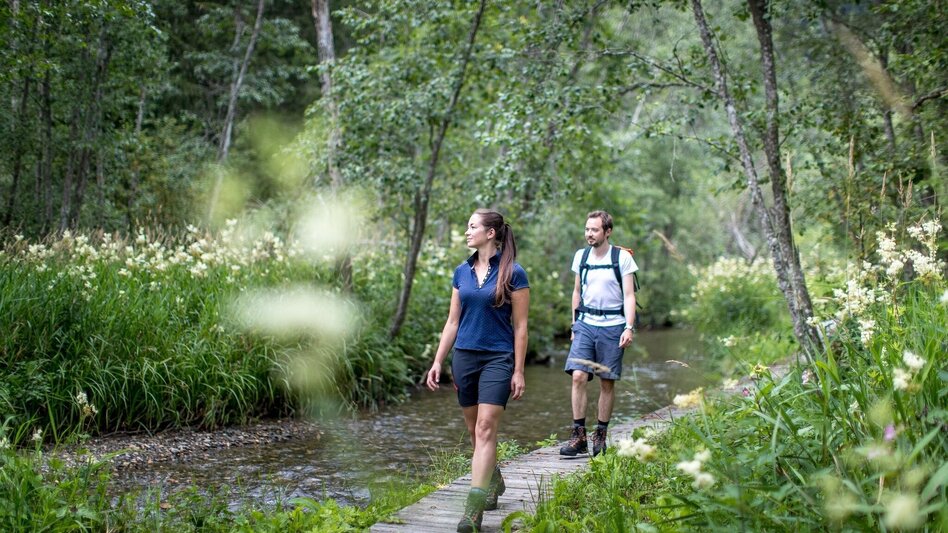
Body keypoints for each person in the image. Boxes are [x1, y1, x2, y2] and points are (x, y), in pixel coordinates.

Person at [425, 208, 530, 533]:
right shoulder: (461, 271)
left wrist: (519, 370)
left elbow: (521, 327)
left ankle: (473, 513)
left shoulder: (514, 272)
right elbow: (453, 321)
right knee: (474, 433)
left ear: (490, 233)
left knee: (486, 430)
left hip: (498, 359)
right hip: (465, 359)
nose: (466, 232)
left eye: (472, 227)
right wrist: (438, 360)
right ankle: (493, 478)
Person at [560, 210, 638, 457]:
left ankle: (600, 436)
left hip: (613, 325)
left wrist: (628, 327)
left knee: (606, 381)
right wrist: (574, 324)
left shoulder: (622, 257)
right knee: (578, 376)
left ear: (607, 231)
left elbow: (629, 296)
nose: (589, 234)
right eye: (587, 229)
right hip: (585, 323)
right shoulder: (581, 257)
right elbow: (576, 292)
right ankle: (578, 435)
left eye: (594, 230)